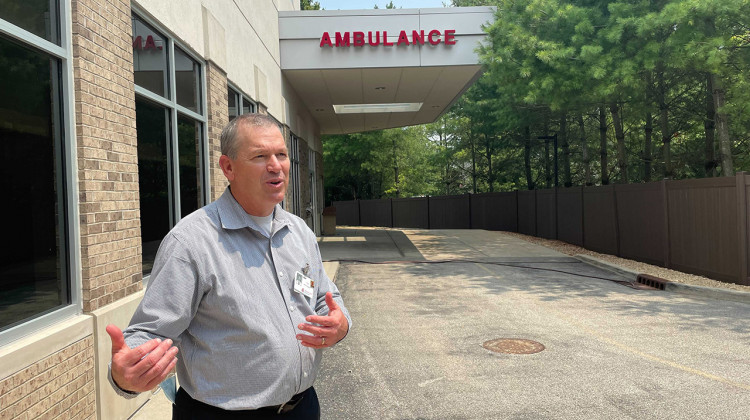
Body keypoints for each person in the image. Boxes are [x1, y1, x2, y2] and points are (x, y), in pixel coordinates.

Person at [106, 113, 351, 419]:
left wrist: (340, 325)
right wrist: (125, 375)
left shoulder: (299, 232)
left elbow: (326, 299)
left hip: (302, 408)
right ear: (228, 167)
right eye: (260, 156)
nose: (276, 165)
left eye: (282, 155)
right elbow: (150, 333)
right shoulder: (191, 242)